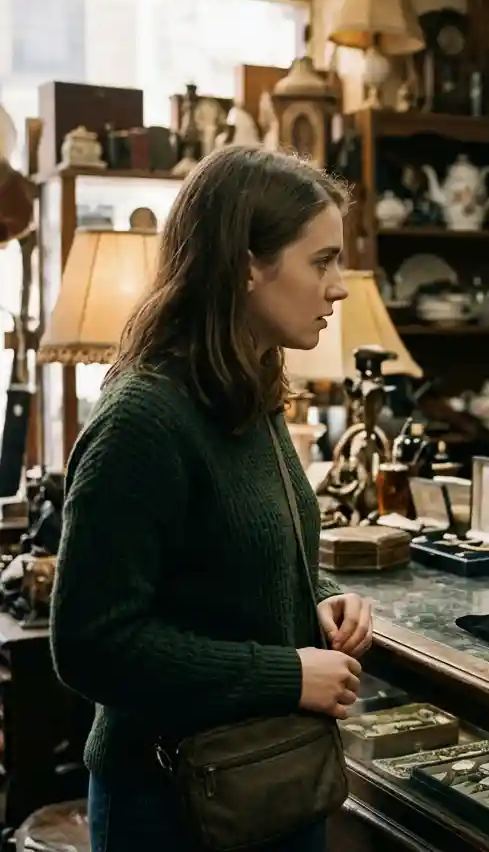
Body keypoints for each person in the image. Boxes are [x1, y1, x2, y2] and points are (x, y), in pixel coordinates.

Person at [50, 146, 373, 851]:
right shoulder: (141, 420)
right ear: (247, 264)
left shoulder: (251, 391)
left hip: (275, 780)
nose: (339, 287)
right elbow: (90, 644)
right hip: (170, 803)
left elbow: (235, 557)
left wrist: (319, 595)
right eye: (322, 261)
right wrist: (287, 674)